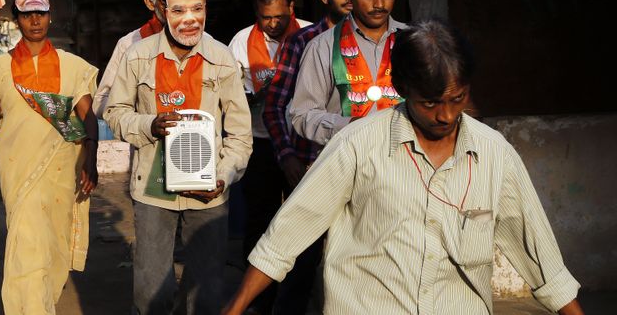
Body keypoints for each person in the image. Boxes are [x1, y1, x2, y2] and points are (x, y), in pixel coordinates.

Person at [224, 19, 585, 315]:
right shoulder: (357, 145)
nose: (445, 115)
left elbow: (539, 256)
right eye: (429, 102)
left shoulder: (495, 155)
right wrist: (236, 307)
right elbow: (288, 233)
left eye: (456, 99)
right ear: (401, 87)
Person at [104, 0, 252, 315]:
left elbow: (241, 135)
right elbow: (114, 112)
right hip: (154, 189)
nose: (190, 19)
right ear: (161, 9)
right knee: (151, 293)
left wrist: (223, 175)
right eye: (179, 10)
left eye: (197, 9)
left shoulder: (222, 60)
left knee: (206, 294)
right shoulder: (138, 56)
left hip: (208, 192)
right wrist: (148, 125)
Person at [0, 0, 99, 315]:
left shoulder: (72, 65)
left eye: (40, 13)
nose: (34, 20)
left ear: (50, 16)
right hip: (19, 172)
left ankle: (42, 306)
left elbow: (87, 115)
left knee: (55, 249)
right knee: (27, 248)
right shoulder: (2, 67)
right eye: (26, 14)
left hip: (63, 172)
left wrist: (91, 157)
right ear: (17, 18)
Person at [256, 0, 352, 314]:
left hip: (364, 170)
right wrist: (288, 156)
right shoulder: (304, 42)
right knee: (301, 260)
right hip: (314, 167)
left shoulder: (391, 41)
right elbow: (276, 105)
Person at [228, 0, 310, 314]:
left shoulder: (311, 36)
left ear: (292, 8)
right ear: (256, 14)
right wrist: (256, 98)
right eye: (266, 18)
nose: (273, 24)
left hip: (300, 144)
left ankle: (296, 298)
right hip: (260, 142)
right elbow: (230, 95)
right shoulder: (240, 43)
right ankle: (260, 302)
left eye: (279, 17)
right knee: (259, 221)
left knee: (302, 221)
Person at [290, 0, 406, 146]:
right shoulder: (322, 48)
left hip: (406, 169)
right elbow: (301, 115)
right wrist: (349, 126)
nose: (379, 4)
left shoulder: (413, 42)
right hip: (349, 167)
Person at [93, 0, 176, 119]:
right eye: (166, 1)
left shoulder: (205, 43)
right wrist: (141, 117)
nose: (175, 7)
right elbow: (101, 102)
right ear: (150, 3)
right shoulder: (130, 44)